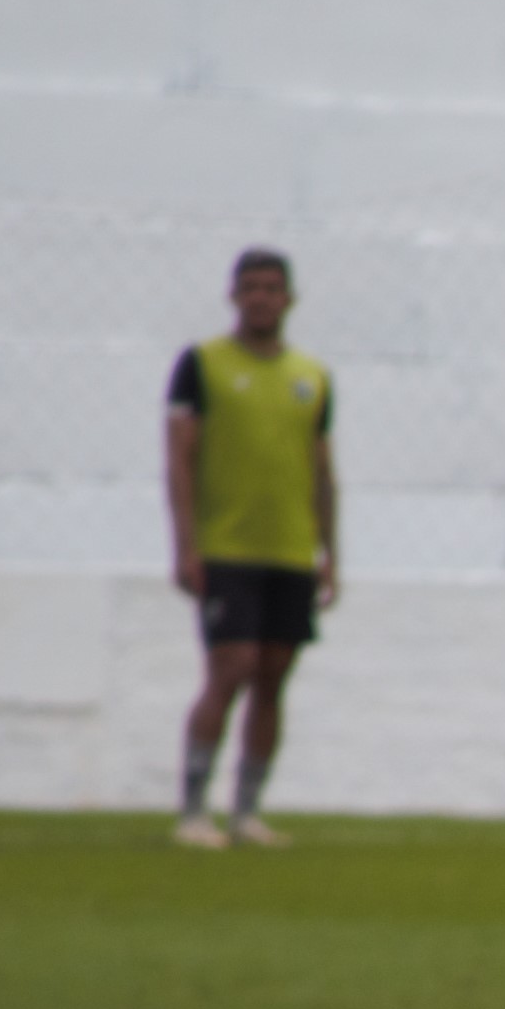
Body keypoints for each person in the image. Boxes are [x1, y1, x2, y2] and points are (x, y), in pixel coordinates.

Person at [163, 247, 337, 848]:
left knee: (273, 675)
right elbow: (180, 459)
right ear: (233, 296)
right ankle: (192, 810)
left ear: (289, 299)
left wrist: (329, 551)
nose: (261, 297)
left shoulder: (311, 376)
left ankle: (246, 812)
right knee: (229, 668)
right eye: (250, 287)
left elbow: (321, 468)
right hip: (226, 547)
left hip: (288, 550)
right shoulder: (203, 365)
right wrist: (186, 545)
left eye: (271, 288)